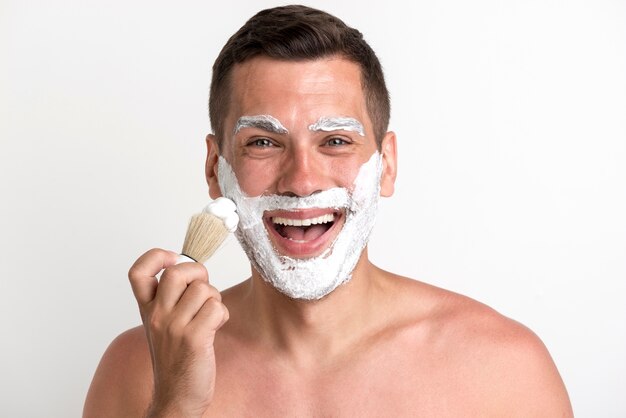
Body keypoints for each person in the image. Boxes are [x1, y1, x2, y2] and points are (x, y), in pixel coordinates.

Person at [84, 5, 573, 417]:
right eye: (263, 142)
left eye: (335, 141)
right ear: (216, 168)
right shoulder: (140, 368)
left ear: (386, 166)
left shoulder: (503, 371)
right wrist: (173, 405)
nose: (301, 181)